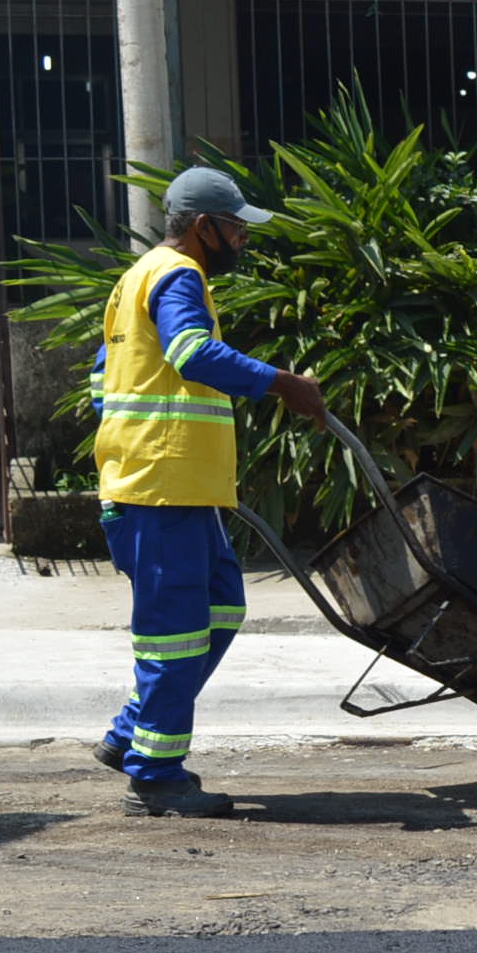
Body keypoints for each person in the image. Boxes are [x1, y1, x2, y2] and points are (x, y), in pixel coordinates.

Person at [89, 166, 325, 819]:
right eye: (236, 230)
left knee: (219, 608)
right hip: (162, 489)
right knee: (177, 633)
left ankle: (131, 731)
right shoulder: (178, 276)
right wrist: (285, 384)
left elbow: (100, 378)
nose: (243, 241)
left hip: (171, 486)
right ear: (203, 229)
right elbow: (192, 354)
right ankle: (155, 775)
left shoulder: (136, 278)